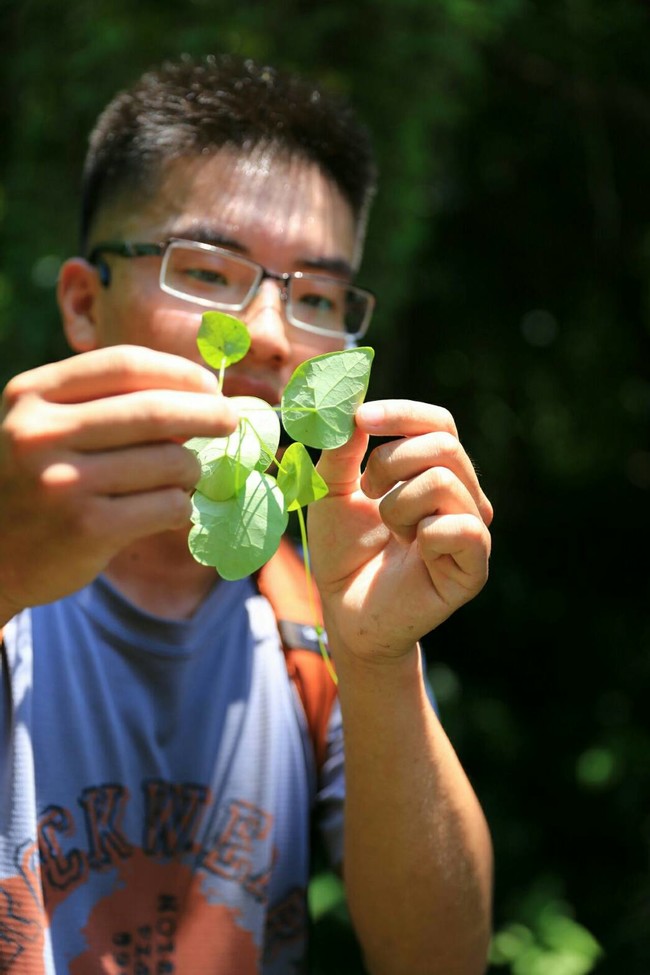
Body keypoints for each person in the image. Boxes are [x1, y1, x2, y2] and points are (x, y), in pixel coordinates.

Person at [0, 53, 494, 975]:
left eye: (315, 296)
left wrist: (379, 663)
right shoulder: (8, 559)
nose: (269, 335)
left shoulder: (318, 624)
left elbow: (442, 960)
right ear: (81, 301)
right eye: (210, 270)